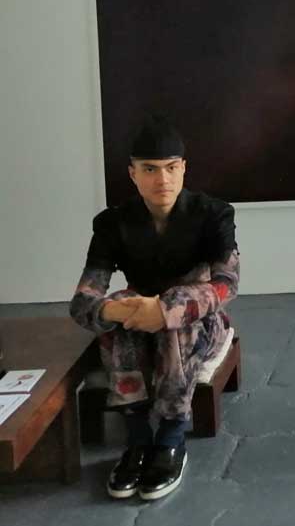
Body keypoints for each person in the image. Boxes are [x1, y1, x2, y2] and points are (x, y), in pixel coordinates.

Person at [70, 115, 240, 501]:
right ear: (133, 174)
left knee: (176, 322)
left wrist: (164, 310)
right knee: (116, 313)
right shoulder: (112, 223)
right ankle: (137, 441)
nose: (162, 179)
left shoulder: (213, 214)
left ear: (183, 169)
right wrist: (119, 311)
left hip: (200, 325)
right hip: (137, 322)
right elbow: (83, 300)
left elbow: (226, 285)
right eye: (150, 169)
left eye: (171, 168)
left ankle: (170, 439)